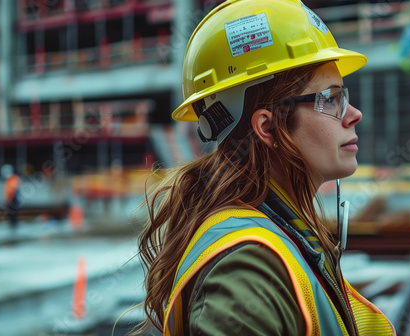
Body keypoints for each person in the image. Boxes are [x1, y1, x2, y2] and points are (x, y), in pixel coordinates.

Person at [134, 0, 394, 335]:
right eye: (330, 98)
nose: (353, 114)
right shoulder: (245, 270)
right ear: (268, 128)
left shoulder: (277, 235)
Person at [1, 164, 21, 232]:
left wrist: (9, 200)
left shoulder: (13, 179)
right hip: (13, 199)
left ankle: (13, 226)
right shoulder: (11, 179)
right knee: (12, 214)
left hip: (13, 199)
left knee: (13, 214)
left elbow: (12, 190)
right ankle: (13, 224)